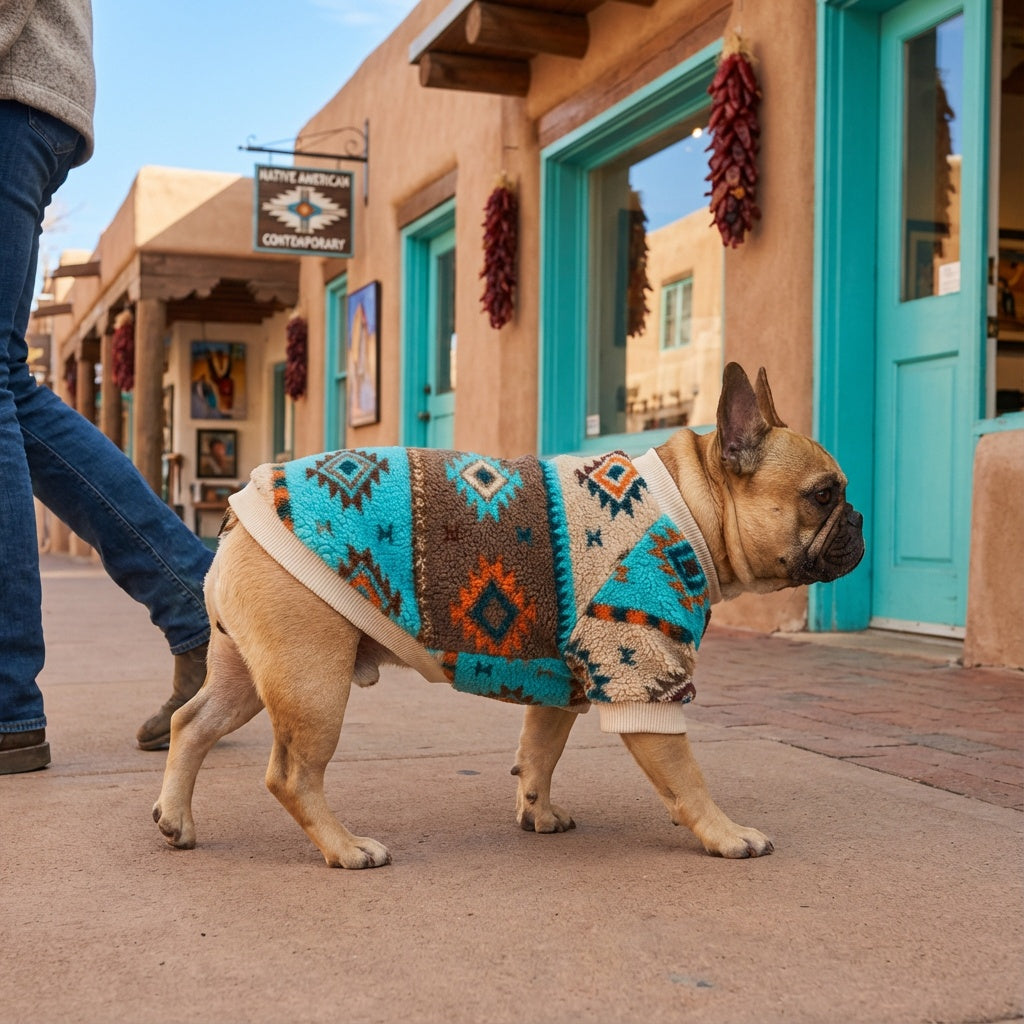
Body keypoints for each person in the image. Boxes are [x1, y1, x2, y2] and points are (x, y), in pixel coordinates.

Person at [0, 0, 214, 773]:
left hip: (13, 90)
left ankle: (7, 705)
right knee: (9, 389)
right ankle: (198, 604)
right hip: (31, 93)